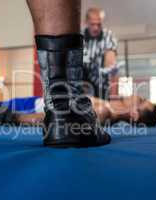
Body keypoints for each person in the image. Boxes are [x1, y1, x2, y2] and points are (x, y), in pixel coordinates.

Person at [26, 0, 111, 147]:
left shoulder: (108, 37)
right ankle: (73, 115)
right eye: (93, 23)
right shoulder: (85, 32)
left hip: (96, 83)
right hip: (85, 85)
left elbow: (111, 65)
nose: (96, 26)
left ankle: (58, 119)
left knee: (58, 99)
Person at [0, 95, 156, 127]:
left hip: (31, 107)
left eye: (139, 100)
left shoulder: (103, 111)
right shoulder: (107, 106)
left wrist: (18, 118)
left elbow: (57, 119)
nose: (133, 96)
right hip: (34, 102)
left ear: (135, 114)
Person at [83, 7, 118, 99]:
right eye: (92, 24)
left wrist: (113, 97)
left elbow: (111, 67)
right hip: (83, 83)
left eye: (99, 24)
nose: (96, 28)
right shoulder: (80, 36)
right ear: (86, 22)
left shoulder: (108, 36)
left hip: (101, 85)